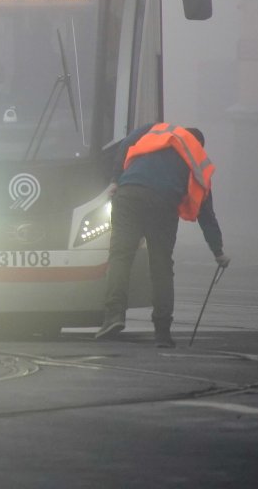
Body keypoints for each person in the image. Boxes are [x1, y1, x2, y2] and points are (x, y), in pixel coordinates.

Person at [98, 122, 228, 348]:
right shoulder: (197, 157)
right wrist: (218, 252)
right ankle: (162, 333)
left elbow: (125, 146)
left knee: (120, 257)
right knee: (161, 267)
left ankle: (114, 317)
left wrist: (115, 179)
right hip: (163, 203)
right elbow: (206, 214)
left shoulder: (156, 130)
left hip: (130, 193)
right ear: (199, 144)